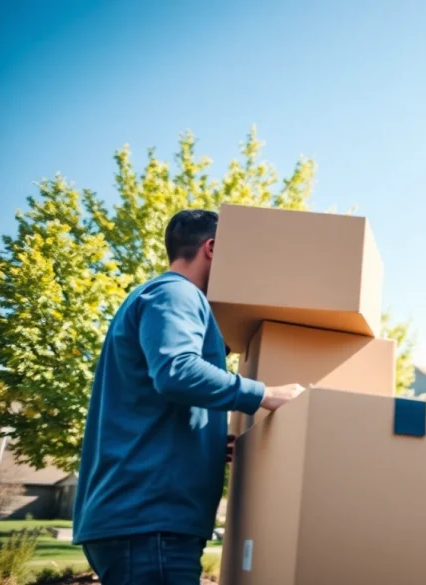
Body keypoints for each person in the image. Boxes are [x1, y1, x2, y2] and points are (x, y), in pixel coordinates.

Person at [72, 209, 306, 585]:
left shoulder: (163, 297)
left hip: (148, 523)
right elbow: (177, 371)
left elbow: (161, 399)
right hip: (149, 524)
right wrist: (265, 393)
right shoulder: (174, 293)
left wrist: (210, 443)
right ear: (211, 248)